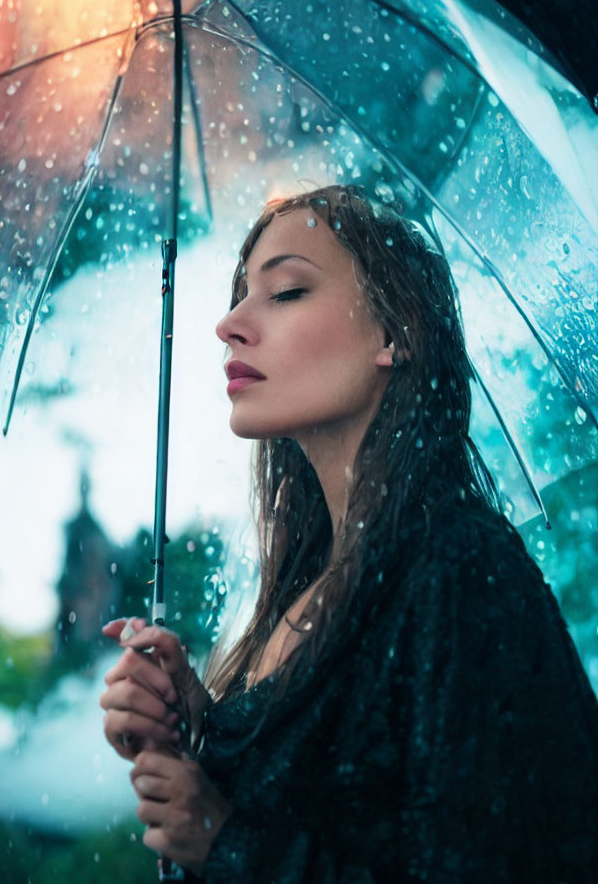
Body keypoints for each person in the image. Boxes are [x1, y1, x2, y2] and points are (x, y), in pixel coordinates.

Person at [100, 185, 598, 883]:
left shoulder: (456, 565)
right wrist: (196, 728)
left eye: (285, 293)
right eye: (241, 294)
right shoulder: (314, 581)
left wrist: (227, 842)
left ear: (395, 332)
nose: (229, 324)